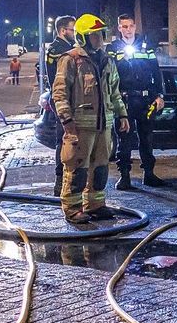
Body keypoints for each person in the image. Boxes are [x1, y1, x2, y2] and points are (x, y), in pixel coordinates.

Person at [52, 14, 129, 224]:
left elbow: (114, 92)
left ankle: (96, 205)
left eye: (101, 34)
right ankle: (72, 209)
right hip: (80, 126)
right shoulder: (70, 60)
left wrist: (122, 114)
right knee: (77, 168)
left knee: (101, 167)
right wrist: (67, 121)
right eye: (94, 35)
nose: (100, 39)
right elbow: (59, 94)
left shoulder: (107, 61)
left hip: (104, 125)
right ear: (83, 37)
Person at [106, 14, 166, 190]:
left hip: (146, 99)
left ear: (135, 26)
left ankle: (149, 174)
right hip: (124, 100)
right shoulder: (113, 48)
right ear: (119, 28)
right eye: (124, 26)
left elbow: (156, 72)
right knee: (124, 140)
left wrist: (160, 95)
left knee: (147, 139)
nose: (128, 29)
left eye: (130, 26)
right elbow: (109, 75)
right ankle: (124, 176)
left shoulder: (146, 47)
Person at [45, 16, 77, 195]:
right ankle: (60, 180)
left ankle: (69, 179)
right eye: (73, 30)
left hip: (71, 99)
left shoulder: (66, 48)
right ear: (63, 30)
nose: (75, 33)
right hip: (63, 99)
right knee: (63, 139)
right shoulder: (58, 49)